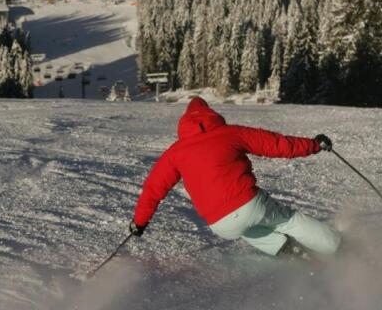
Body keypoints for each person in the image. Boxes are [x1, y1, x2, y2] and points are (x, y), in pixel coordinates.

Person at [129, 97, 340, 257]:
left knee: (246, 228)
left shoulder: (175, 152)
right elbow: (276, 144)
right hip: (248, 203)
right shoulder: (230, 133)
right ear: (210, 114)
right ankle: (339, 247)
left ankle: (292, 255)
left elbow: (153, 190)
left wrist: (139, 222)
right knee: (288, 220)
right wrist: (314, 144)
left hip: (220, 224)